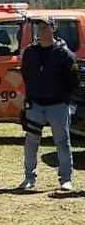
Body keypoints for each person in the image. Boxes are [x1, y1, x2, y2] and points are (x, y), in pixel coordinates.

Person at [18, 16, 77, 191]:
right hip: (35, 105)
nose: (42, 30)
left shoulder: (65, 54)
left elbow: (73, 82)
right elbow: (26, 75)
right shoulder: (30, 52)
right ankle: (29, 178)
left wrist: (64, 98)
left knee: (62, 142)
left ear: (54, 28)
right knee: (31, 141)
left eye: (45, 26)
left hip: (58, 105)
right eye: (39, 27)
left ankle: (65, 179)